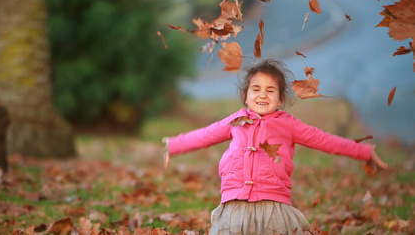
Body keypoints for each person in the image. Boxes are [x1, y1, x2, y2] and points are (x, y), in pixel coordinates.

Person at [162, 59, 388, 235]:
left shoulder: (289, 124)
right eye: (256, 89)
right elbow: (206, 135)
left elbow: (325, 140)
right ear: (245, 96)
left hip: (273, 205)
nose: (262, 94)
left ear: (280, 99)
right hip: (234, 207)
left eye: (270, 90)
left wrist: (365, 152)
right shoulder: (236, 120)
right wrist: (174, 145)